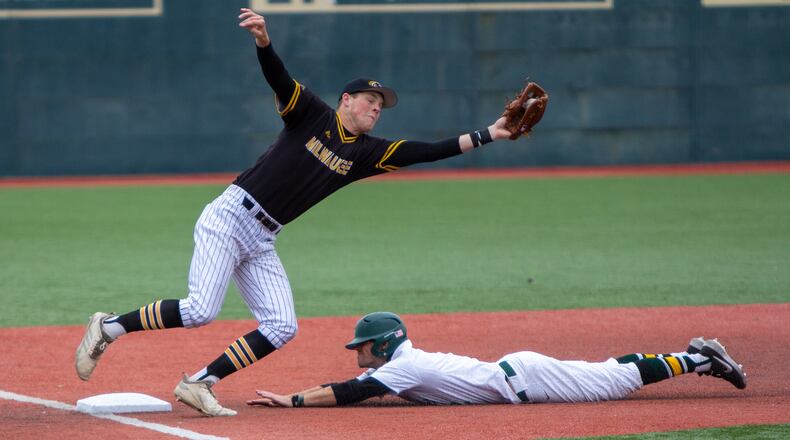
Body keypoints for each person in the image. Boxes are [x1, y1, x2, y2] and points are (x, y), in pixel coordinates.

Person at [74, 8, 528, 416]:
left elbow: (428, 150)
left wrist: (491, 132)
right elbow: (279, 79)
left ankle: (199, 383)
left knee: (281, 325)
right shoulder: (311, 114)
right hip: (230, 215)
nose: (376, 107)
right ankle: (109, 327)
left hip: (263, 236)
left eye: (381, 105)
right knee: (200, 310)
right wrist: (264, 42)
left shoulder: (368, 153)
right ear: (345, 101)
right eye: (369, 100)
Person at [246, 312, 747, 408]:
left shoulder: (401, 368)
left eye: (359, 345)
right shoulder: (402, 365)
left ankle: (699, 359)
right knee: (607, 372)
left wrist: (293, 400)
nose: (356, 353)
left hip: (526, 378)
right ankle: (695, 357)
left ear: (380, 344)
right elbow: (363, 388)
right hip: (520, 374)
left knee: (615, 381)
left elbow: (350, 393)